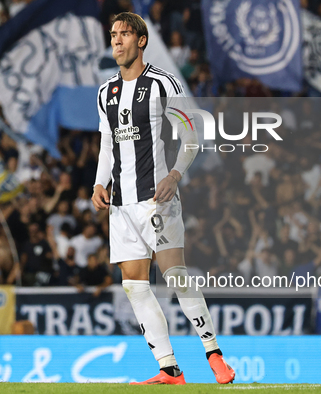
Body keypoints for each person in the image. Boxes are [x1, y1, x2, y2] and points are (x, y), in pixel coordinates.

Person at [91, 12, 234, 385]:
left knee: (175, 275)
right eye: (113, 35)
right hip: (120, 206)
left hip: (156, 198)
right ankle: (169, 368)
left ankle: (214, 353)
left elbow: (192, 134)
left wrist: (175, 174)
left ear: (141, 41)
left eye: (124, 34)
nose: (117, 40)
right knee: (134, 285)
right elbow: (107, 144)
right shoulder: (105, 92)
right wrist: (98, 183)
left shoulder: (162, 84)